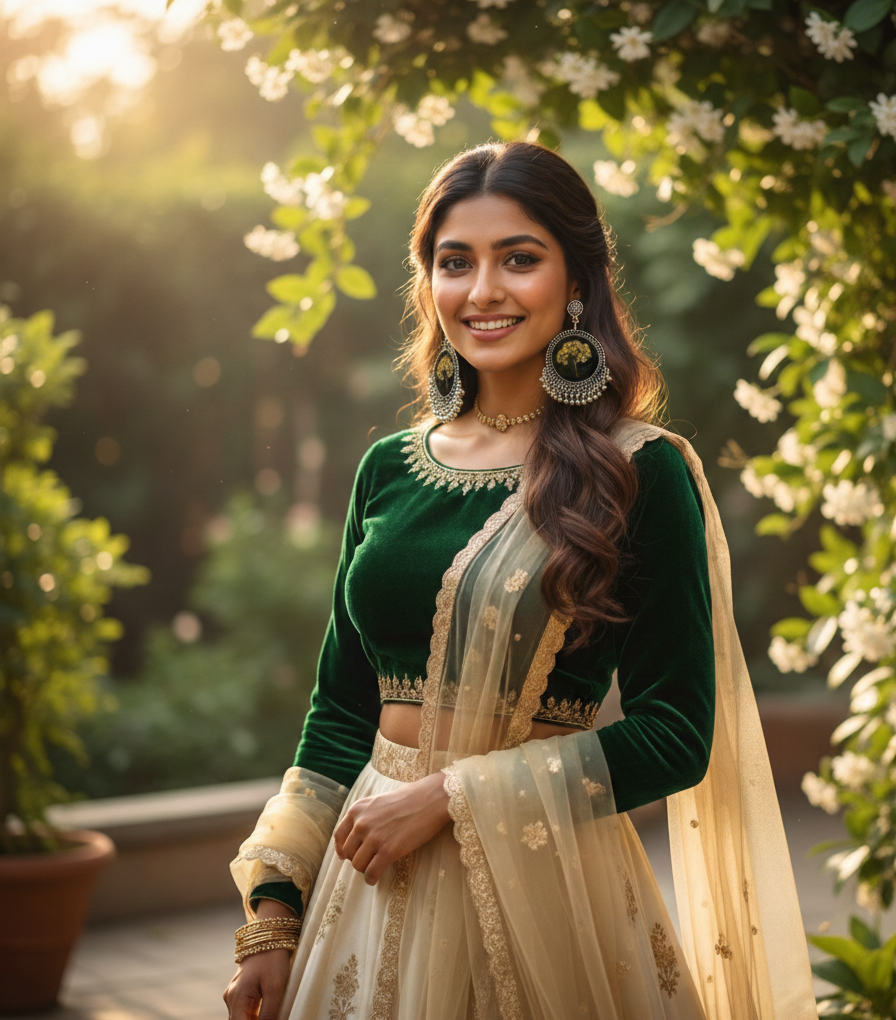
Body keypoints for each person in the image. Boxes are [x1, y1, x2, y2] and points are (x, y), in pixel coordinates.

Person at [224, 141, 816, 1020]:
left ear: (577, 281)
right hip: (364, 885)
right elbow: (340, 709)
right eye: (454, 262)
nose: (483, 291)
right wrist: (275, 918)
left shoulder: (638, 471)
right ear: (427, 282)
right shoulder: (388, 467)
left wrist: (451, 797)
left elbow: (675, 732)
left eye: (519, 259)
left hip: (546, 887)